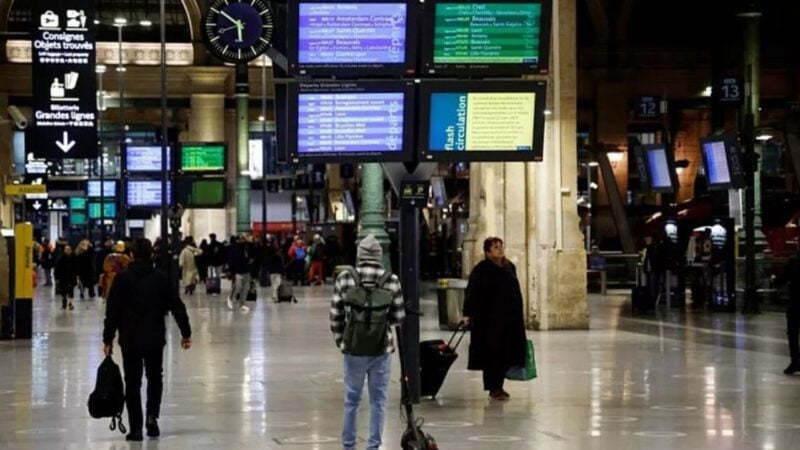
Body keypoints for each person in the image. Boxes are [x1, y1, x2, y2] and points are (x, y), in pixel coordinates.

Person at [102, 238, 192, 441]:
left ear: (131, 255)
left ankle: (135, 428)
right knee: (155, 377)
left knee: (132, 382)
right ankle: (152, 417)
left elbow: (112, 312)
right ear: (151, 254)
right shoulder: (161, 278)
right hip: (154, 337)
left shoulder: (122, 279)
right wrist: (186, 333)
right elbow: (176, 306)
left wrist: (108, 339)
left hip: (130, 338)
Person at [330, 234, 405, 450]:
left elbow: (335, 315)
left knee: (351, 400)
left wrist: (342, 341)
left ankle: (349, 446)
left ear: (359, 255)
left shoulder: (345, 278)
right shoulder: (391, 280)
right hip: (381, 349)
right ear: (379, 255)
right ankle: (373, 446)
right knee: (378, 402)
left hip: (353, 349)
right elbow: (398, 317)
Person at [461, 237, 527, 401]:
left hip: (509, 318)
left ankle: (499, 385)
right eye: (496, 247)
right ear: (488, 252)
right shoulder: (481, 270)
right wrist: (467, 313)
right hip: (489, 320)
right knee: (492, 353)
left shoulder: (509, 267)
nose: (500, 250)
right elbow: (472, 293)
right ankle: (493, 387)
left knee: (506, 352)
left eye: (501, 246)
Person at [771, 249, 800, 375]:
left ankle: (795, 361)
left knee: (793, 333)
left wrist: (774, 281)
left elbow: (781, 278)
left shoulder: (794, 261)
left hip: (796, 301)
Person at [227, 235, 251, 312]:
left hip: (246, 271)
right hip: (238, 271)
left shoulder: (246, 248)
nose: (242, 241)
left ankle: (242, 304)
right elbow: (231, 260)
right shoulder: (234, 248)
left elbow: (249, 257)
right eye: (240, 239)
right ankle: (230, 298)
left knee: (245, 288)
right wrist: (231, 272)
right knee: (238, 287)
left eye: (243, 239)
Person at [54, 244, 77, 310]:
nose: (68, 251)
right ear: (64, 250)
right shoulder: (61, 258)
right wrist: (56, 277)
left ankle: (70, 304)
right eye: (66, 249)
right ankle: (64, 304)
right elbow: (57, 268)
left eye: (69, 249)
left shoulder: (74, 258)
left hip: (71, 277)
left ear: (71, 250)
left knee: (71, 291)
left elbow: (77, 267)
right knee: (63, 291)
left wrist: (77, 275)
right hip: (63, 278)